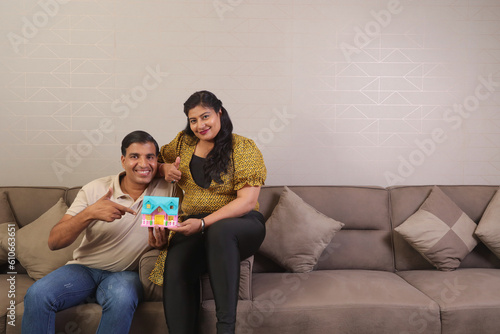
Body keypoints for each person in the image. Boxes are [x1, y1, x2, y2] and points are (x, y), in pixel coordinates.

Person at [22, 130, 175, 334]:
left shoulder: (167, 190)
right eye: (134, 156)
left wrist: (161, 244)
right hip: (83, 269)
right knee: (37, 294)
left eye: (150, 157)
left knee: (122, 298)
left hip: (125, 274)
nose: (143, 163)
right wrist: (89, 213)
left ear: (157, 160)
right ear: (123, 160)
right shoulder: (96, 188)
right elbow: (54, 242)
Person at [148, 90, 267, 334]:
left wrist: (203, 225)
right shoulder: (183, 143)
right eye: (193, 120)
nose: (200, 125)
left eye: (205, 117)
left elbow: (246, 202)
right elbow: (153, 163)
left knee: (220, 231)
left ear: (219, 113)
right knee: (177, 261)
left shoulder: (243, 147)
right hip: (194, 225)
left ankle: (226, 329)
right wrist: (165, 168)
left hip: (241, 224)